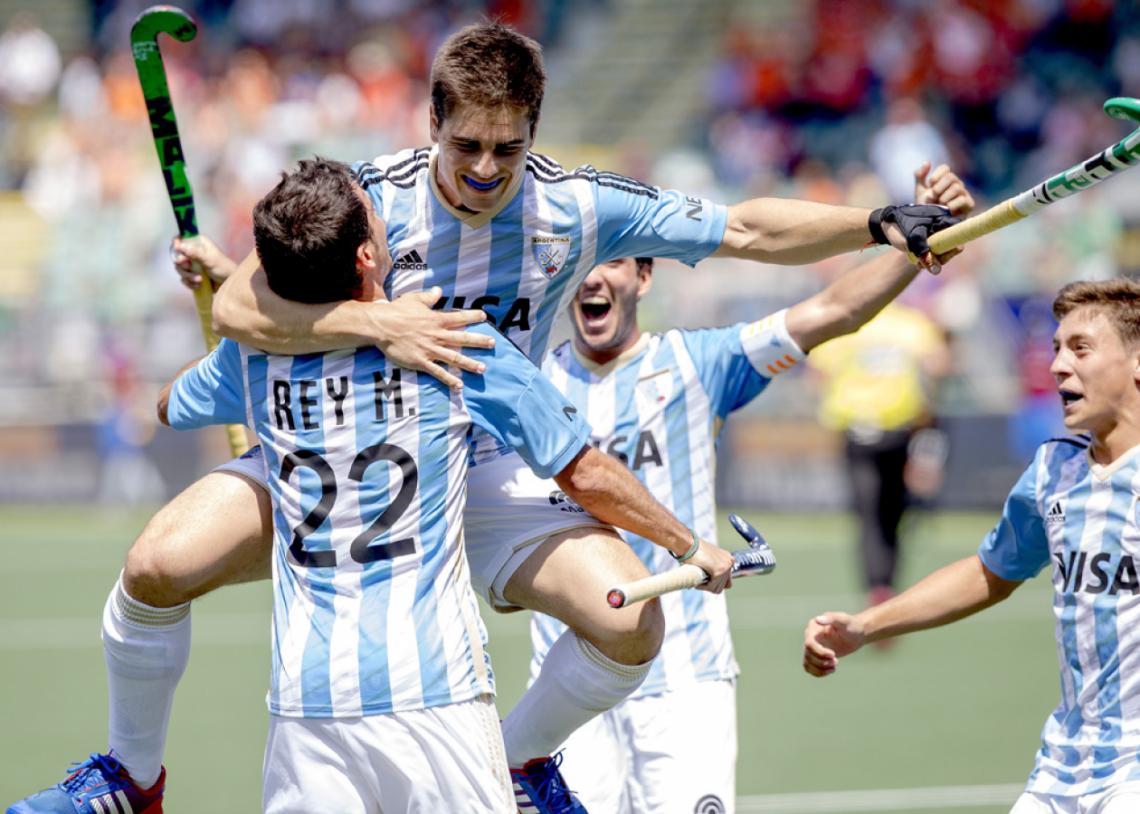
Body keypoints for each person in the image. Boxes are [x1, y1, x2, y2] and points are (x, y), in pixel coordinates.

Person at [8, 21, 958, 814]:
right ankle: (130, 777)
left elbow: (746, 229)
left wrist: (873, 223)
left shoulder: (577, 207)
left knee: (627, 623)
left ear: (533, 130)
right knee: (154, 565)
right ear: (434, 124)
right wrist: (384, 321)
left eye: (507, 147)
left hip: (490, 459)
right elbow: (252, 306)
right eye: (465, 145)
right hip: (355, 451)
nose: (484, 169)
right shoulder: (368, 197)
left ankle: (521, 761)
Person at [528, 162, 972, 813]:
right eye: (585, 264)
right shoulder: (528, 385)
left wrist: (914, 241)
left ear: (644, 276)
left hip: (683, 683)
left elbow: (833, 311)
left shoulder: (699, 363)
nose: (595, 277)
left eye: (616, 261)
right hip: (569, 685)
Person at [803, 278, 1140, 814]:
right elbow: (990, 572)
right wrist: (868, 626)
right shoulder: (1054, 468)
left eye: (1080, 348)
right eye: (1056, 349)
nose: (1057, 366)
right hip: (1063, 766)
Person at [807, 296, 951, 608]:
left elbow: (816, 372)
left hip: (864, 430)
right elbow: (940, 364)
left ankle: (879, 586)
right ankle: (882, 584)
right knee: (889, 512)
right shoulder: (911, 324)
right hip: (899, 428)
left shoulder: (848, 324)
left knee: (872, 513)